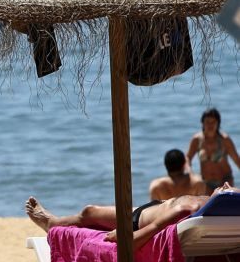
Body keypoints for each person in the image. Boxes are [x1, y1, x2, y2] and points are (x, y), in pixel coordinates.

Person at [24, 183, 229, 249]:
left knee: (89, 212)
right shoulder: (209, 208)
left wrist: (122, 235)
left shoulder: (189, 207)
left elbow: (153, 229)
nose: (226, 184)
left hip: (136, 220)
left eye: (228, 190)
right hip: (149, 209)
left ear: (223, 200)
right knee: (92, 217)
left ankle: (52, 224)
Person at [186, 107, 240, 193]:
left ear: (218, 123)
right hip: (206, 183)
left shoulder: (224, 140)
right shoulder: (197, 140)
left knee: (225, 206)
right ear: (202, 123)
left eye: (213, 122)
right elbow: (188, 158)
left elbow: (237, 160)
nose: (210, 125)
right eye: (207, 122)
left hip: (225, 182)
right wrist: (190, 173)